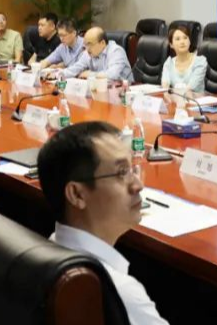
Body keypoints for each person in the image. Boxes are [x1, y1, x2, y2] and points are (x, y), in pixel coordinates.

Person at [38, 121, 169, 325]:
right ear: (77, 194)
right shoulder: (120, 292)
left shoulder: (50, 247)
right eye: (122, 173)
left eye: (132, 169)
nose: (138, 184)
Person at [62, 27, 132, 81]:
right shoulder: (88, 53)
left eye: (90, 44)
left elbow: (112, 75)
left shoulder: (116, 51)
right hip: (100, 89)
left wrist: (90, 74)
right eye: (85, 45)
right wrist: (59, 74)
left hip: (125, 90)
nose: (87, 48)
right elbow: (76, 68)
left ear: (102, 43)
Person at [160, 23, 207, 93]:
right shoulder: (169, 63)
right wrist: (167, 92)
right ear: (171, 44)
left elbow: (190, 89)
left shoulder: (200, 61)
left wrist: (172, 92)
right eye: (178, 39)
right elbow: (165, 88)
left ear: (189, 41)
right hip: (175, 98)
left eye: (185, 38)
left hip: (195, 99)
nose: (182, 42)